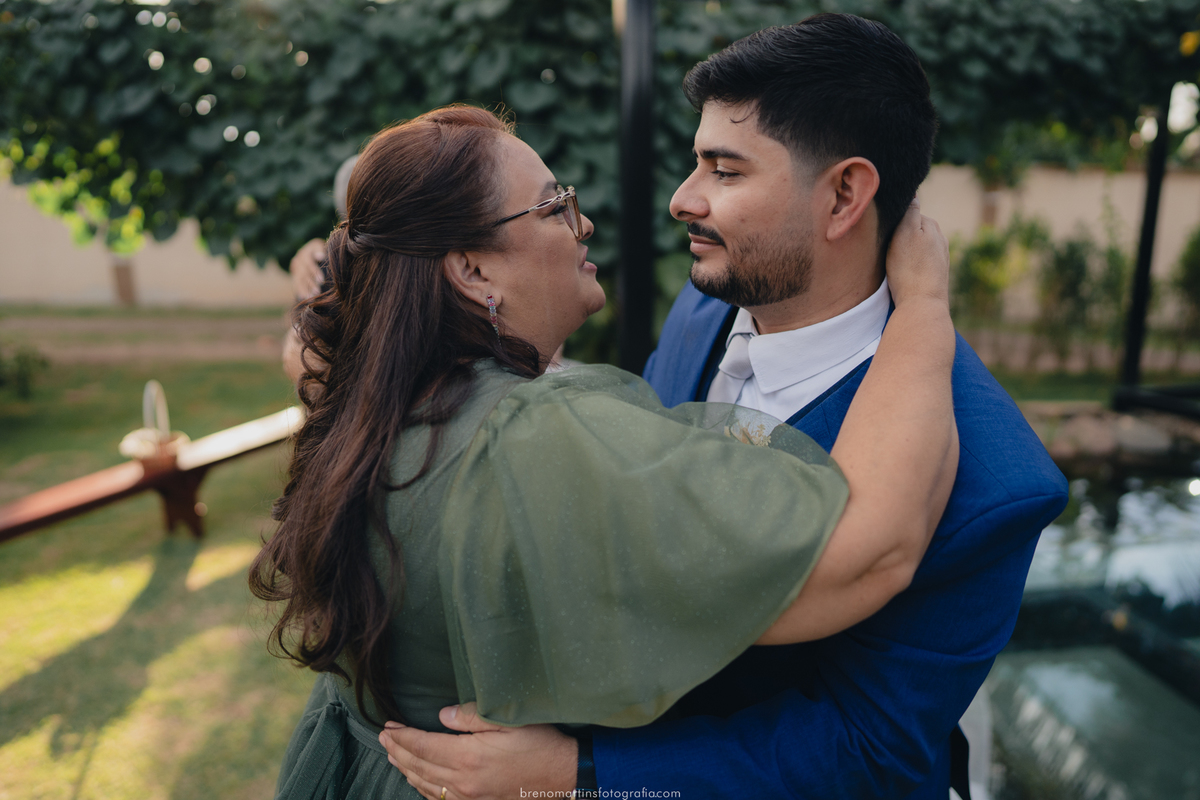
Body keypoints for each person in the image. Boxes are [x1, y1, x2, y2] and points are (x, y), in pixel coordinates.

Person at [379, 14, 1068, 800]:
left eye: (725, 171)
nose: (682, 198)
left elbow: (870, 750)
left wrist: (583, 776)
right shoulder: (705, 309)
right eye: (694, 162)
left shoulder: (996, 481)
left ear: (845, 194)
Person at [251, 100, 959, 800]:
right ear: (472, 272)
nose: (582, 222)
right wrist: (924, 306)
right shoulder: (531, 438)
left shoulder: (368, 390)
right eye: (553, 205)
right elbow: (870, 552)